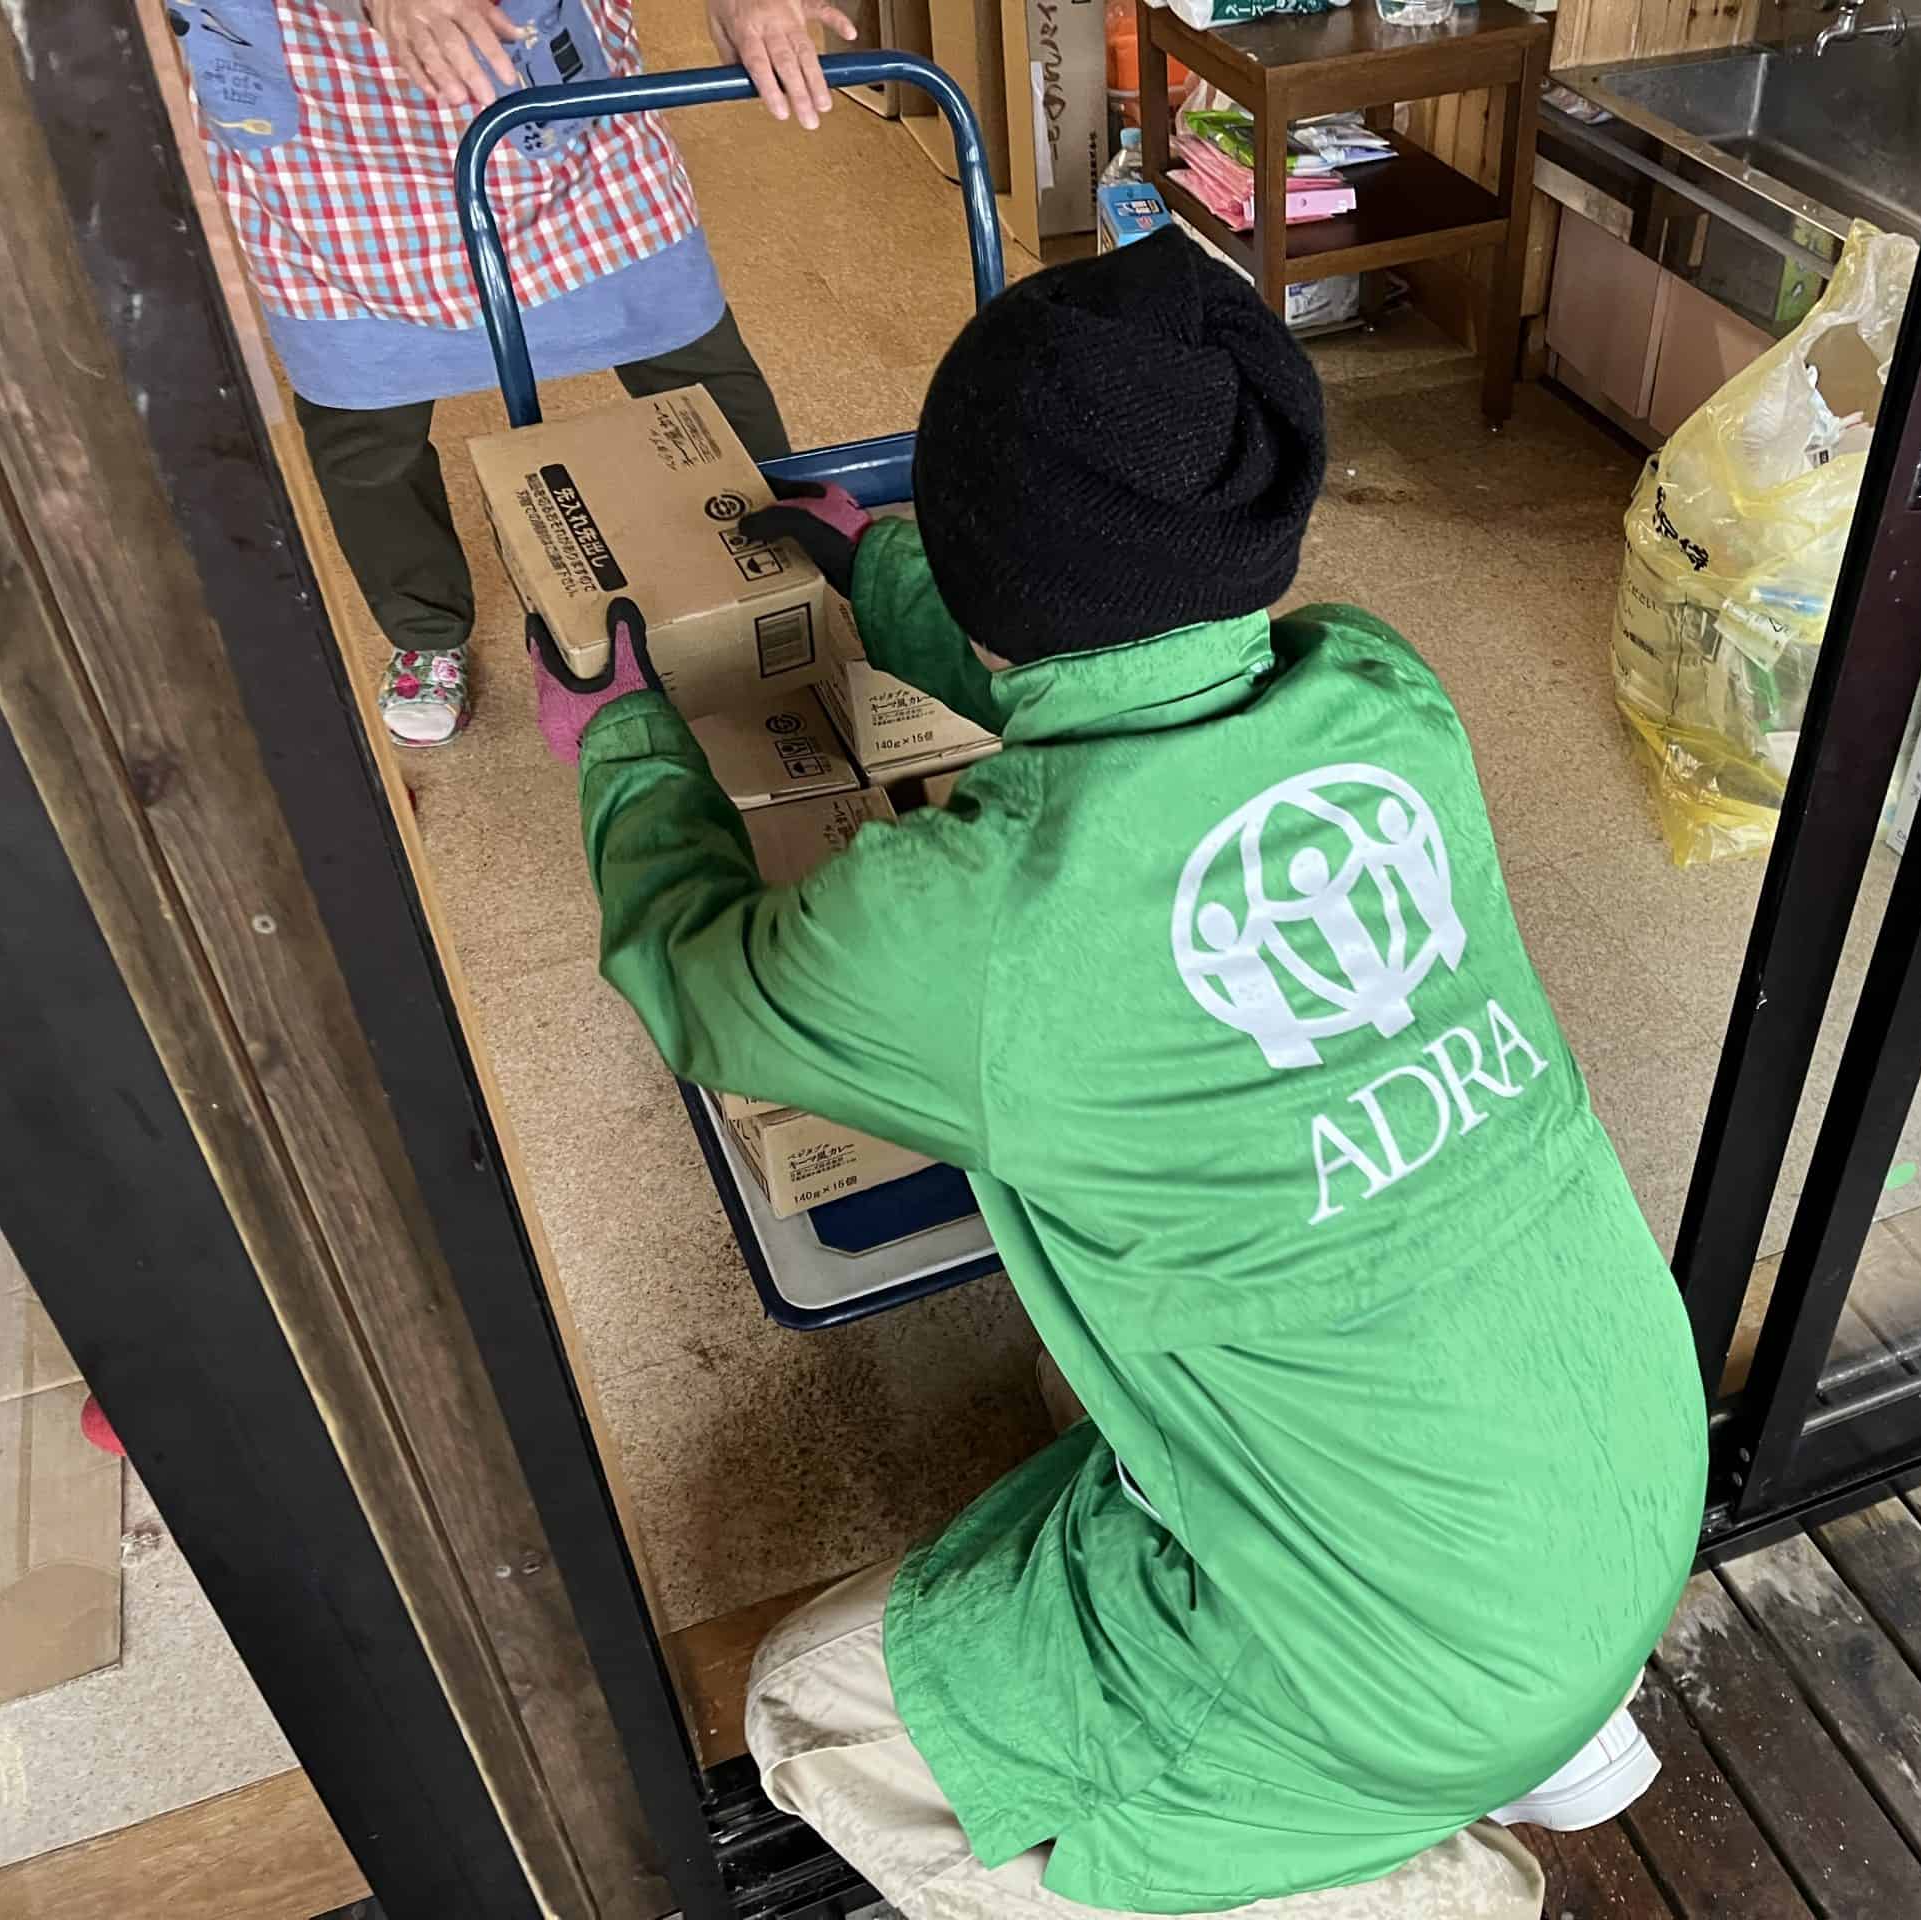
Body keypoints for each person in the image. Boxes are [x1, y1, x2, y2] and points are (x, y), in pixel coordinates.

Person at [533, 230, 1707, 1916]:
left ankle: (1415, 1878)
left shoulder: (968, 931)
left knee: (812, 1709)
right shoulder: (1388, 699)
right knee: (1127, 1383)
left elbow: (708, 981)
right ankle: (1509, 1704)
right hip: (1620, 1474)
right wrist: (880, 580)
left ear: (992, 566)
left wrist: (625, 737)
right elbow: (1137, 681)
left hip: (1403, 1654)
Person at [169, 0, 856, 745]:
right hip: (327, 129)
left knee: (696, 365)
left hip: (554, 111)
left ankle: (774, 570)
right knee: (364, 428)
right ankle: (424, 630)